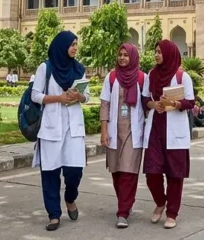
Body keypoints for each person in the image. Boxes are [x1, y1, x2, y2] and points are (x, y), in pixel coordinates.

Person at [31, 31, 88, 232]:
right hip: (51, 126)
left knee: (74, 172)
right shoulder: (45, 68)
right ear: (61, 46)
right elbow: (36, 95)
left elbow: (87, 96)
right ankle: (54, 214)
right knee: (50, 173)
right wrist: (59, 98)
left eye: (76, 44)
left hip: (73, 127)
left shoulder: (79, 69)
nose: (75, 48)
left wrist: (79, 97)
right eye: (72, 44)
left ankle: (70, 198)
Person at [142, 40, 194, 230]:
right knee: (152, 173)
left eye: (159, 52)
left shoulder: (182, 76)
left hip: (175, 131)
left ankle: (172, 213)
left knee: (175, 174)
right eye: (155, 51)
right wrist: (154, 105)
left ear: (170, 54)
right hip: (155, 128)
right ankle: (160, 202)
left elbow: (190, 102)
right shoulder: (152, 75)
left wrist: (173, 104)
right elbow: (145, 98)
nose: (156, 55)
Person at [100, 43, 146, 228]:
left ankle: (123, 212)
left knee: (128, 172)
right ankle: (125, 203)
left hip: (134, 132)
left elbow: (148, 103)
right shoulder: (111, 77)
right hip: (114, 131)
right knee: (116, 172)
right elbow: (104, 105)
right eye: (120, 54)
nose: (122, 58)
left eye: (126, 55)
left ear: (133, 57)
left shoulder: (142, 78)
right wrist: (104, 131)